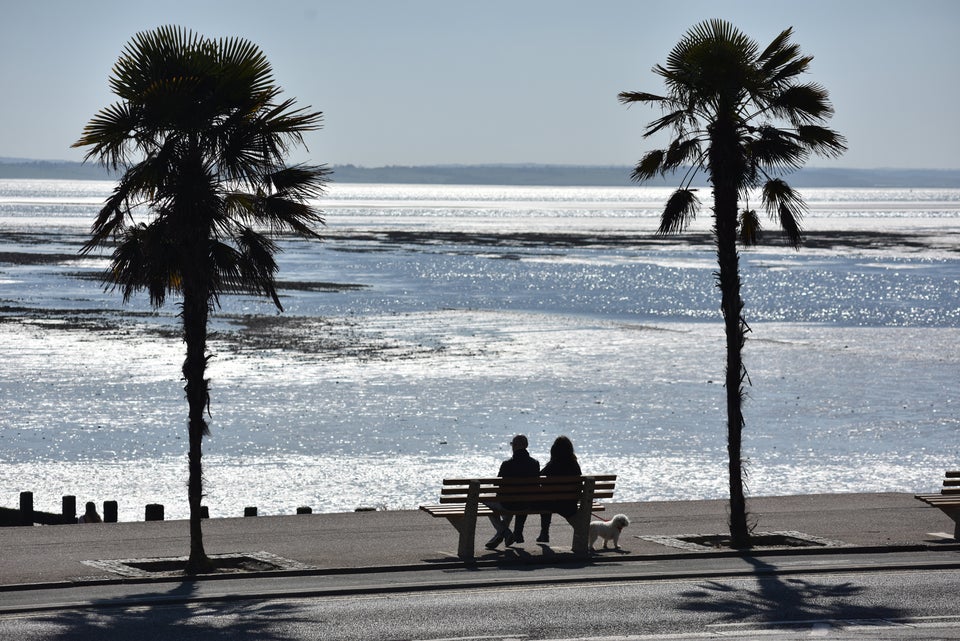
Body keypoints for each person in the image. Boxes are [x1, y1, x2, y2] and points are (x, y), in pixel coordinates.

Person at [485, 434, 540, 549]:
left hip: (508, 504)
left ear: (514, 446)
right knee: (510, 501)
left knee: (486, 502)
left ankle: (504, 531)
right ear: (526, 446)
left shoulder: (507, 464)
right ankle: (500, 535)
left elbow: (497, 484)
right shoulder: (535, 464)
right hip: (526, 504)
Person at [537, 435, 581, 543]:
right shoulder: (574, 465)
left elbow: (538, 478)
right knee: (548, 498)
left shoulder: (552, 465)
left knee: (545, 499)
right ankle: (581, 532)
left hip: (552, 503)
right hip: (569, 504)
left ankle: (544, 533)